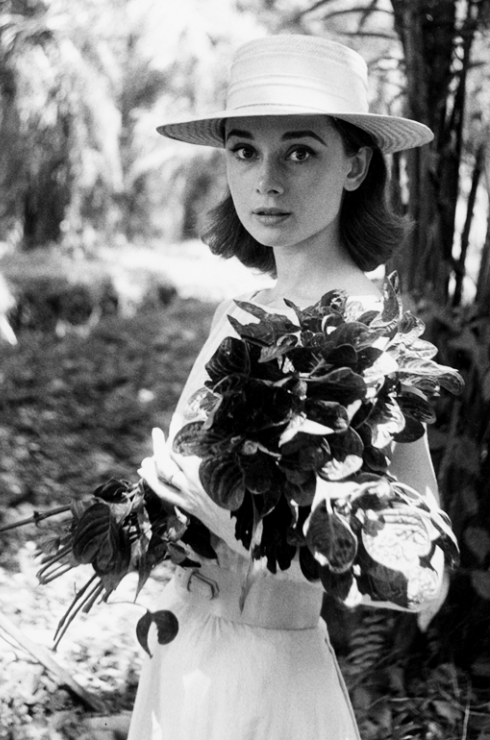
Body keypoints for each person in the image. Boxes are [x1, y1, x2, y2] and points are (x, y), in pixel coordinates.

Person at [128, 35, 446, 740]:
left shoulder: (374, 334)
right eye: (245, 151)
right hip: (179, 657)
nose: (267, 179)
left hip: (268, 684)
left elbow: (424, 577)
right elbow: (187, 479)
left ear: (356, 164)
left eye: (300, 152)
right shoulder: (236, 313)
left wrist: (230, 514)